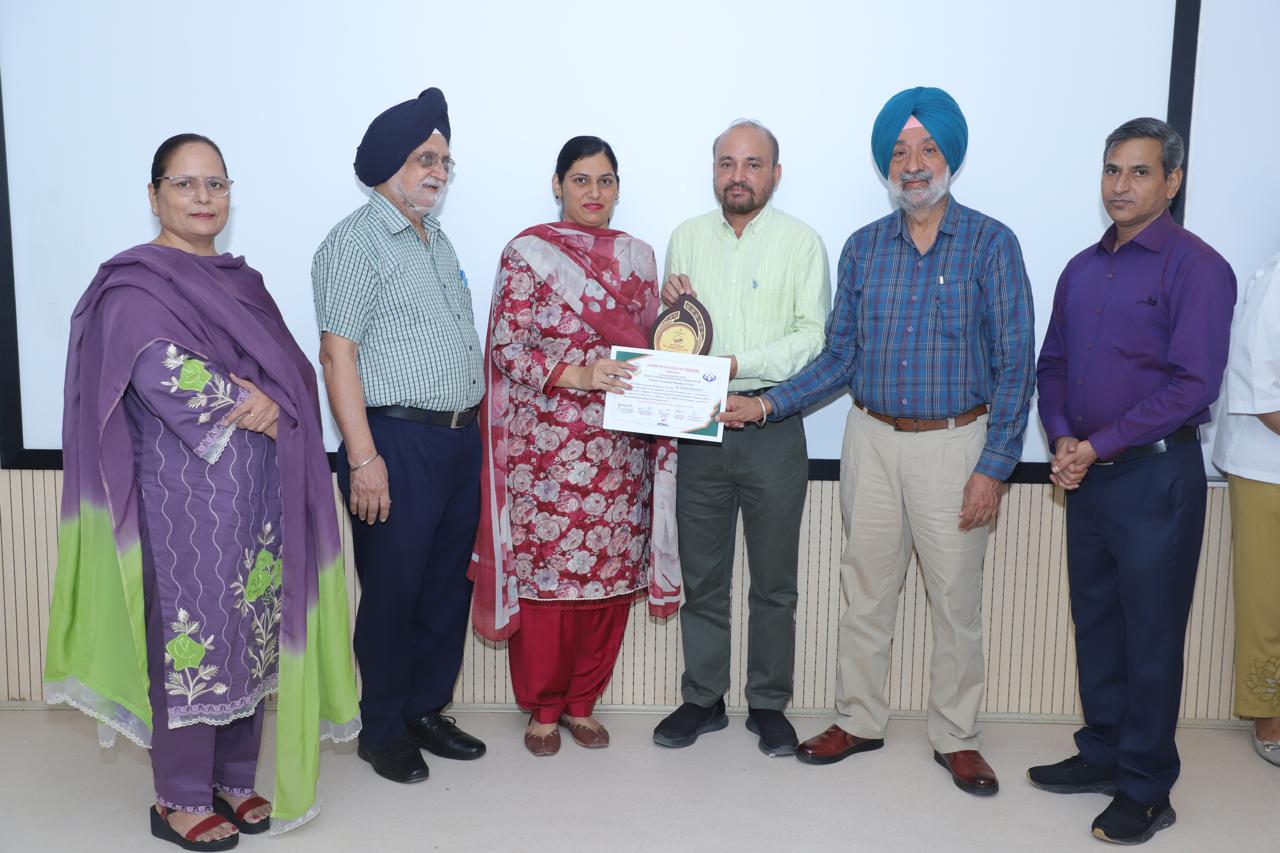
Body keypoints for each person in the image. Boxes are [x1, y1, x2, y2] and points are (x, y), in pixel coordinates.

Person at [45, 133, 361, 850]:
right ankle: (179, 795)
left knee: (251, 626)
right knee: (192, 637)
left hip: (258, 493)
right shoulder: (134, 285)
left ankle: (234, 776)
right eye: (184, 184)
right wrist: (250, 401)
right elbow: (159, 368)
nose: (202, 197)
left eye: (215, 183)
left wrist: (278, 399)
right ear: (154, 195)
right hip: (181, 499)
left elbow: (291, 371)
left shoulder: (242, 283)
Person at [722, 87, 1035, 795]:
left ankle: (957, 737)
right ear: (885, 165)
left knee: (955, 601)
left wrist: (994, 466)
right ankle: (859, 719)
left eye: (927, 148)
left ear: (950, 157)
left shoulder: (991, 243)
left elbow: (1017, 365)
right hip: (869, 440)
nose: (913, 163)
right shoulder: (863, 248)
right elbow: (838, 358)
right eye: (899, 151)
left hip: (956, 446)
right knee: (865, 592)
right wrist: (766, 404)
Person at [1031, 117, 1236, 844]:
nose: (1120, 185)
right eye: (1112, 170)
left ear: (1172, 181)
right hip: (1086, 475)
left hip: (1156, 479)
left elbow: (1193, 385)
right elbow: (1052, 364)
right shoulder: (1082, 268)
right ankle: (1104, 753)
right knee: (1097, 622)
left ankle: (1148, 788)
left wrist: (1097, 444)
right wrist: (1063, 437)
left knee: (1151, 634)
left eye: (1139, 171)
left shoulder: (1198, 267)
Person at [471, 136, 681, 756]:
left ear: (618, 188)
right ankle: (543, 709)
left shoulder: (640, 258)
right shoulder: (528, 253)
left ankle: (583, 704)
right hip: (546, 454)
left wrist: (681, 313)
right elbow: (506, 348)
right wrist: (579, 374)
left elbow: (656, 351)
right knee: (549, 585)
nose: (594, 192)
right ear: (557, 185)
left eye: (606, 180)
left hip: (620, 451)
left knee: (608, 583)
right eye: (581, 180)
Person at [312, 88, 486, 785]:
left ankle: (424, 710)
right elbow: (337, 356)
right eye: (425, 158)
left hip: (458, 441)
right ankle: (382, 728)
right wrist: (364, 459)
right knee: (393, 590)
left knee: (445, 589)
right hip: (395, 442)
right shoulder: (355, 243)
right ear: (389, 164)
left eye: (445, 161)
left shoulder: (436, 240)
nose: (439, 171)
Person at [652, 120, 830, 757]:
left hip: (772, 425)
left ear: (774, 174)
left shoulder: (801, 242)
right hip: (699, 430)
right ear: (714, 171)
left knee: (774, 582)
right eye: (727, 163)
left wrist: (737, 366)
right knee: (704, 579)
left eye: (753, 164)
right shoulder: (685, 238)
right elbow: (673, 337)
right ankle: (703, 698)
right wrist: (666, 308)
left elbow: (812, 337)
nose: (738, 175)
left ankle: (768, 705)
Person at [1212, 249, 1280, 766]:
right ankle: (1269, 711)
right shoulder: (1277, 277)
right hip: (1266, 465)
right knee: (1267, 598)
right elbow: (1262, 391)